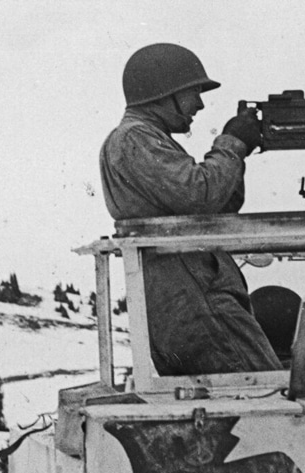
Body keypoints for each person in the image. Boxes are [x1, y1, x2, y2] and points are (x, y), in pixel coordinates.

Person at [99, 43, 281, 376]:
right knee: (261, 385)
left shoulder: (144, 139)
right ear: (163, 93)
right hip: (195, 296)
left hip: (189, 294)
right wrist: (231, 145)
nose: (198, 103)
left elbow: (219, 207)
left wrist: (237, 154)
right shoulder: (135, 138)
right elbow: (199, 194)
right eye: (192, 92)